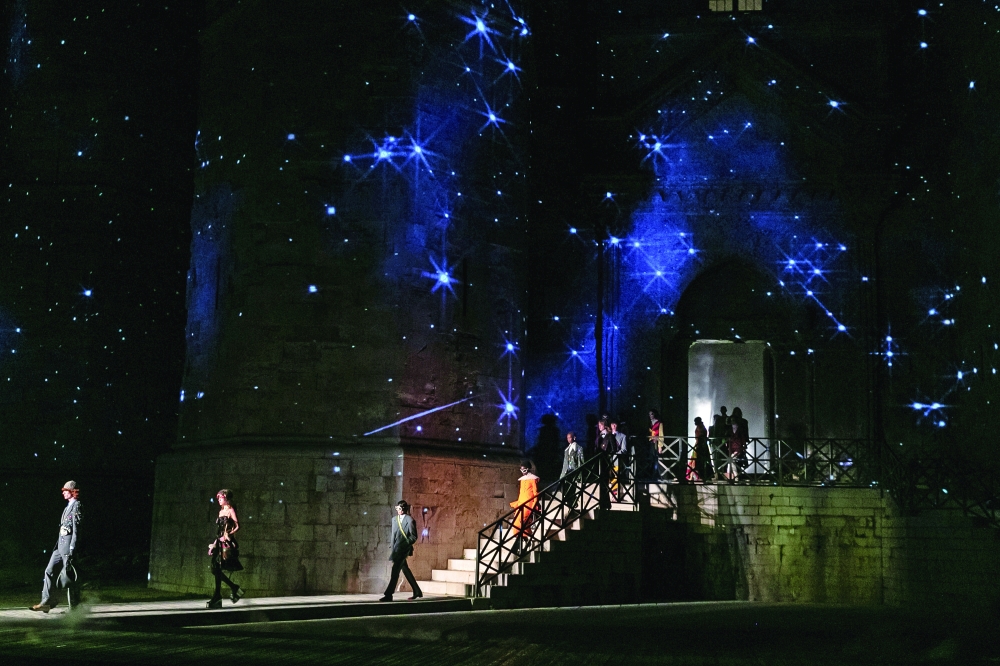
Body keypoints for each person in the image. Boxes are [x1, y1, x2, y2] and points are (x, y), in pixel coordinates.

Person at [30, 481, 82, 613]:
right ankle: (46, 602)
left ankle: (74, 608)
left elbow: (76, 530)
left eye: (65, 490)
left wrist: (72, 549)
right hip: (59, 546)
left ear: (72, 491)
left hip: (68, 547)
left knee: (69, 577)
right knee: (49, 570)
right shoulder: (67, 507)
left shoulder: (77, 506)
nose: (63, 492)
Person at [207, 489, 243, 609]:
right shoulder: (221, 511)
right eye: (218, 498)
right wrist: (214, 544)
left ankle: (218, 596)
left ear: (226, 499)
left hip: (226, 543)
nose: (219, 500)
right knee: (214, 568)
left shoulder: (230, 510)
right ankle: (232, 588)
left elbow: (238, 525)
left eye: (221, 498)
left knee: (216, 567)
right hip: (219, 541)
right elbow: (219, 531)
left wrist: (229, 534)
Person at [380, 500, 422, 601]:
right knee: (405, 570)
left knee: (395, 571)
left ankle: (389, 594)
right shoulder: (394, 519)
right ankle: (417, 591)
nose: (398, 510)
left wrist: (405, 544)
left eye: (400, 508)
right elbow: (393, 535)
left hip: (404, 550)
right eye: (397, 508)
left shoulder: (410, 520)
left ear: (403, 509)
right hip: (396, 550)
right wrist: (392, 547)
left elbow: (413, 536)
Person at [510, 461, 540, 552]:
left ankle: (522, 542)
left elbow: (535, 493)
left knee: (522, 522)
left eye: (524, 468)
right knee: (516, 523)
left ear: (528, 468)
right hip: (521, 504)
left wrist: (534, 505)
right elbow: (521, 493)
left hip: (529, 504)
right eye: (521, 469)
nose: (522, 470)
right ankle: (523, 541)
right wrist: (518, 503)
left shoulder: (533, 479)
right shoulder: (522, 479)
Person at [560, 433, 585, 509]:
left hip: (574, 470)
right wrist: (562, 474)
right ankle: (571, 501)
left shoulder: (579, 448)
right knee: (563, 487)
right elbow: (565, 462)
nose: (568, 439)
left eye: (570, 437)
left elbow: (581, 461)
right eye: (567, 438)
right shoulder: (567, 449)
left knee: (572, 488)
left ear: (574, 437)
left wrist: (580, 473)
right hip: (566, 471)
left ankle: (572, 503)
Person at [687, 417, 712, 482]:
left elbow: (701, 437)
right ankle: (695, 475)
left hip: (701, 446)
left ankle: (699, 475)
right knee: (697, 461)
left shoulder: (701, 428)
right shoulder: (701, 427)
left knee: (699, 461)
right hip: (700, 445)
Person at [609, 421, 629, 499]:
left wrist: (616, 453)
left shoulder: (622, 436)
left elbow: (624, 449)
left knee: (615, 477)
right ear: (610, 425)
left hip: (617, 459)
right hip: (608, 459)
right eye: (612, 424)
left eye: (615, 424)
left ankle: (614, 495)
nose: (614, 426)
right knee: (609, 477)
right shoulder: (608, 435)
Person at [711, 406, 729, 481]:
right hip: (721, 440)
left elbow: (716, 430)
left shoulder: (720, 419)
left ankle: (722, 472)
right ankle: (722, 472)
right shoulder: (723, 419)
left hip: (722, 440)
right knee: (722, 457)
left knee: (723, 457)